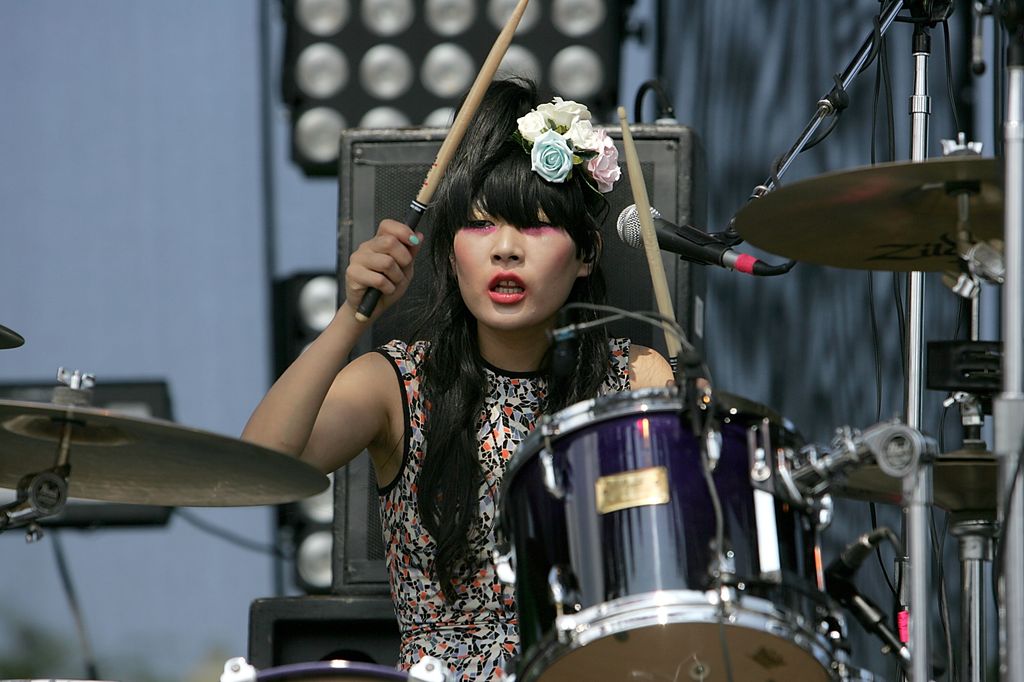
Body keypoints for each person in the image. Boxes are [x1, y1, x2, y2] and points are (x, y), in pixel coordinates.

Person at [242, 78, 674, 681]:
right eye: (478, 225)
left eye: (536, 225)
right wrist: (351, 316)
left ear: (587, 254)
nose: (504, 249)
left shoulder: (634, 377)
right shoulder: (395, 383)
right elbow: (258, 468)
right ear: (448, 253)